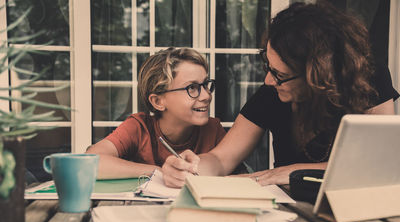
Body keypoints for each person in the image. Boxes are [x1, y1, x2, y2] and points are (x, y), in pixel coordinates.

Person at [161, 1, 399, 188]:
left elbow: (380, 163)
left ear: (317, 75)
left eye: (280, 74)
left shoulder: (369, 77)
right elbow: (222, 159)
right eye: (268, 67)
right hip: (288, 211)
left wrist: (289, 171)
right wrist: (190, 168)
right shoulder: (272, 93)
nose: (268, 80)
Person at [87, 47, 226, 179]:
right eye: (192, 88)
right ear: (158, 101)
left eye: (206, 85)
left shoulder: (213, 130)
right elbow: (91, 161)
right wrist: (158, 171)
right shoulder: (140, 128)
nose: (206, 96)